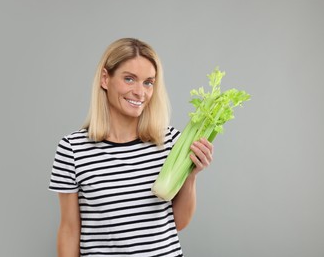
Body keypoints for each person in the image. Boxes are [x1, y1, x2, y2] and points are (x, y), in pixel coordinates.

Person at [48, 38, 214, 257]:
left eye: (148, 82)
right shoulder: (73, 149)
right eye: (129, 79)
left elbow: (178, 224)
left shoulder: (170, 142)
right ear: (105, 79)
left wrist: (191, 176)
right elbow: (69, 230)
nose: (140, 92)